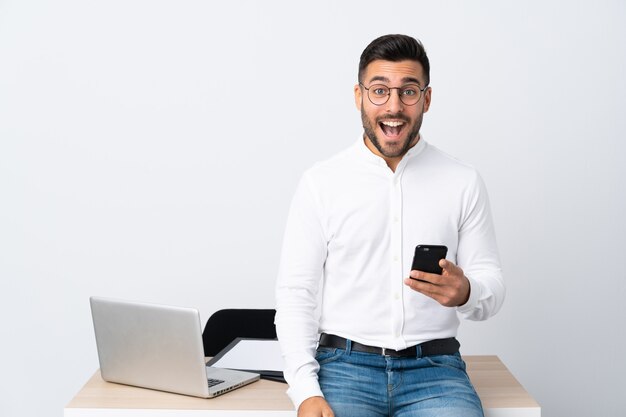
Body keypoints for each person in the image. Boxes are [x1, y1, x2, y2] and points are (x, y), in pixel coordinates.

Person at [275, 34, 505, 417]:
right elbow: (295, 293)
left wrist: (466, 291)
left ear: (426, 99)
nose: (394, 107)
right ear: (359, 95)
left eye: (409, 91)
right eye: (380, 91)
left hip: (435, 372)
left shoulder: (462, 180)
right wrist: (304, 390)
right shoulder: (322, 182)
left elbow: (492, 284)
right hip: (343, 367)